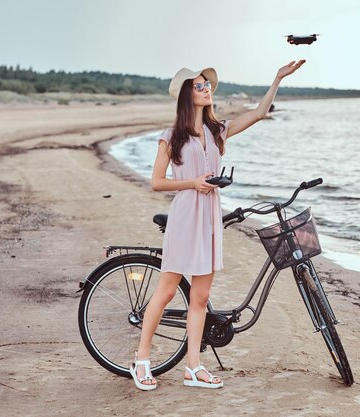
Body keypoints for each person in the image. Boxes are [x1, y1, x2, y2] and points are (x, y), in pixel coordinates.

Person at [130, 60, 306, 391]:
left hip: (210, 215)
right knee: (167, 291)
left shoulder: (216, 130)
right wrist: (192, 183)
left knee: (201, 296)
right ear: (186, 95)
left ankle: (193, 367)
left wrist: (277, 78)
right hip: (186, 215)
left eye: (207, 84)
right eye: (198, 86)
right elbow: (156, 182)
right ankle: (141, 360)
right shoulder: (171, 137)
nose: (206, 88)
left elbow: (258, 113)